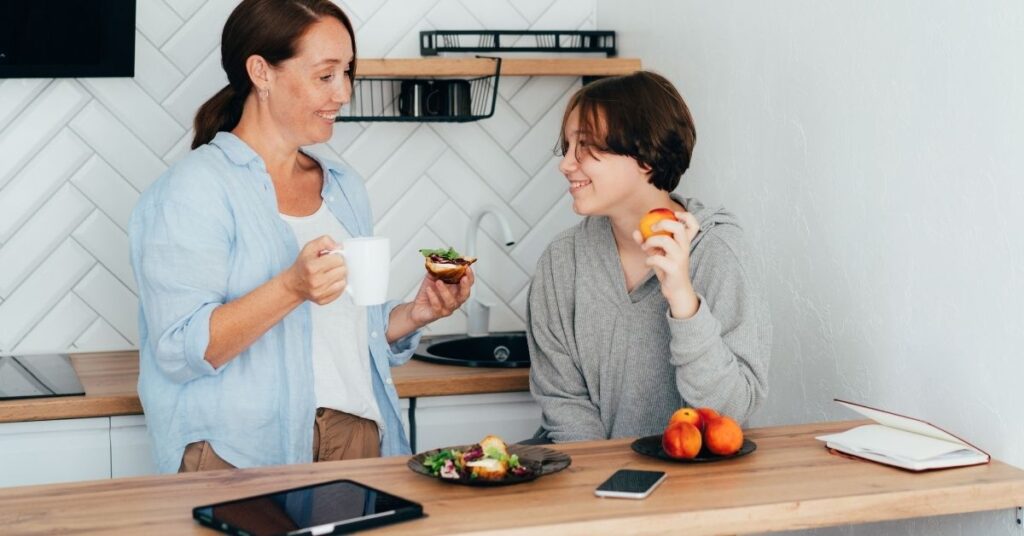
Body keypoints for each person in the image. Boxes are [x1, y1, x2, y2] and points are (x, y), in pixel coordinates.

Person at [129, 0, 472, 473]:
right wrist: (291, 287)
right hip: (239, 450)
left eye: (348, 73)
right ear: (261, 72)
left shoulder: (342, 186)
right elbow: (180, 350)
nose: (344, 93)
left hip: (354, 436)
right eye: (325, 75)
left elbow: (345, 332)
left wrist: (415, 314)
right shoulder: (195, 189)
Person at [526, 71, 771, 443]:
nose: (566, 164)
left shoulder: (717, 253)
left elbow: (730, 412)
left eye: (587, 146)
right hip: (586, 479)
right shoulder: (562, 262)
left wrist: (684, 302)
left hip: (695, 486)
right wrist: (609, 486)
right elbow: (564, 404)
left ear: (645, 156)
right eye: (567, 146)